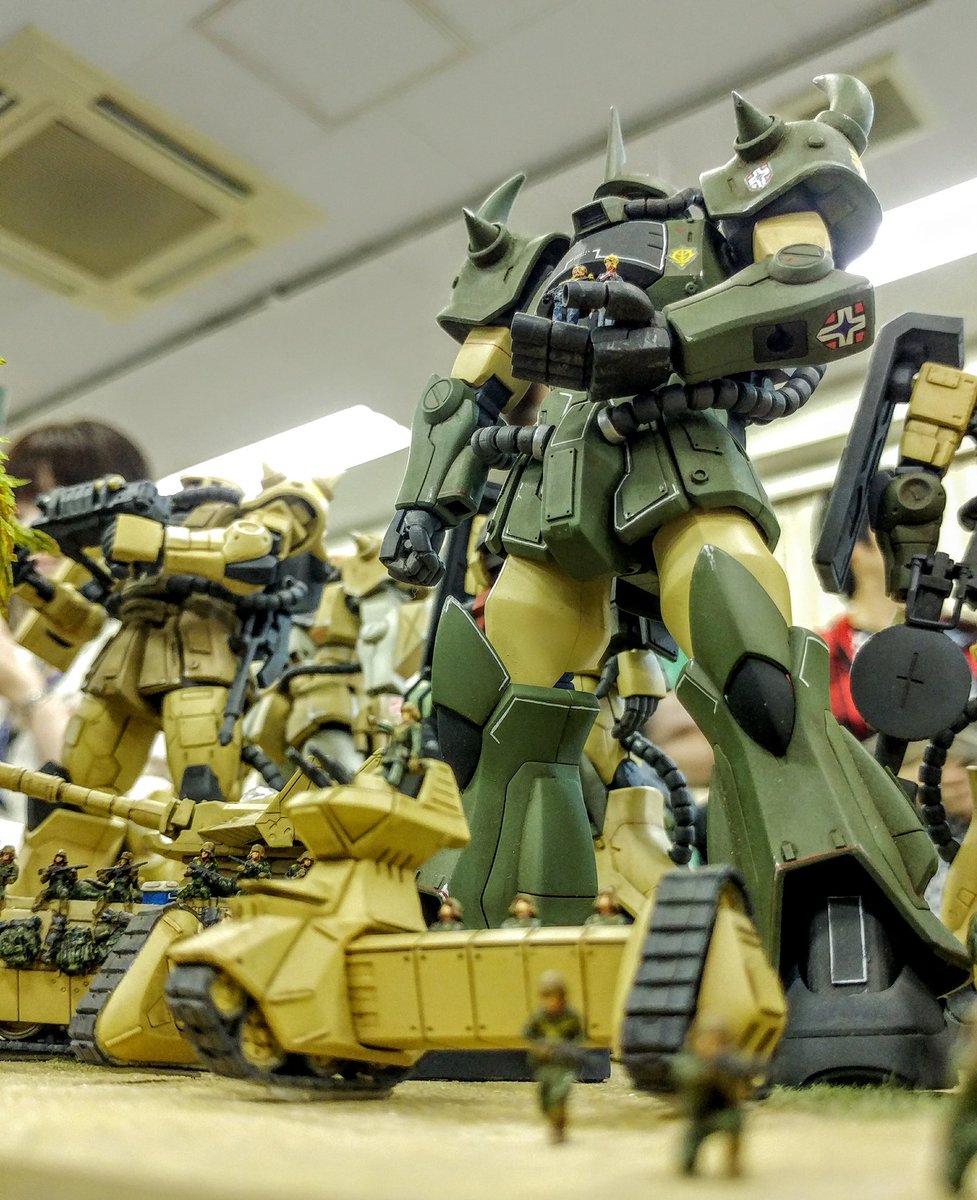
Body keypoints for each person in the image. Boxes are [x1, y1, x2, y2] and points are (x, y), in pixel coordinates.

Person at [672, 1015, 760, 1178]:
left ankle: (732, 1163)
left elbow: (744, 1084)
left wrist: (741, 1080)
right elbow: (686, 1075)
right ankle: (688, 1162)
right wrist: (709, 1070)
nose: (713, 1046)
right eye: (708, 1040)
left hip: (722, 1113)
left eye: (719, 1041)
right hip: (698, 1116)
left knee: (736, 1120)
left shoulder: (730, 1059)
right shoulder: (688, 1059)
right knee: (687, 1163)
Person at [523, 971, 585, 1143]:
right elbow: (529, 1034)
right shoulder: (539, 1016)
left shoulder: (571, 1016)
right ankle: (554, 1121)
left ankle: (558, 1129)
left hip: (564, 1065)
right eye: (547, 997)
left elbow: (579, 1037)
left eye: (555, 997)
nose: (551, 1002)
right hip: (546, 1065)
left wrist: (569, 1049)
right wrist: (540, 1047)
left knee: (559, 1096)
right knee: (545, 1099)